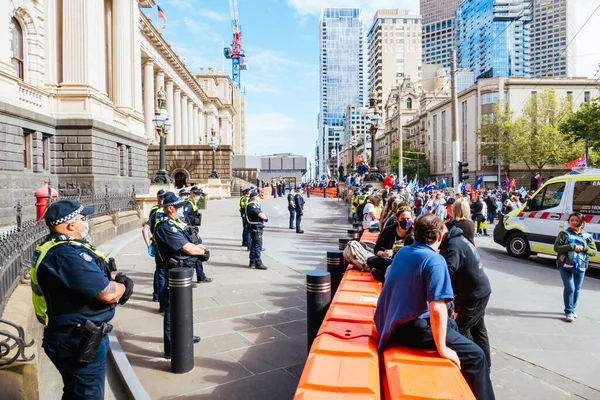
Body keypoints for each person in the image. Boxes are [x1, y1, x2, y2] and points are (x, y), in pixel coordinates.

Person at [374, 214, 495, 400]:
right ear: (439, 237)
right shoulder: (435, 261)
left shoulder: (404, 252)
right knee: (477, 356)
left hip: (393, 323)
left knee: (454, 327)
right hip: (413, 327)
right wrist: (443, 348)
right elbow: (437, 308)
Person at [31, 200, 134, 398]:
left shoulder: (60, 247)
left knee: (75, 391)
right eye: (82, 218)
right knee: (87, 394)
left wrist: (113, 277)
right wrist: (123, 285)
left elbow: (88, 276)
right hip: (77, 339)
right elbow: (107, 293)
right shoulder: (65, 254)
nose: (85, 222)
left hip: (73, 334)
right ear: (70, 224)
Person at [153, 192, 208, 358]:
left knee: (183, 306)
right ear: (170, 208)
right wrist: (202, 252)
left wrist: (201, 249)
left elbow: (192, 240)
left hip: (183, 271)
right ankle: (171, 347)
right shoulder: (165, 226)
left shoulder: (175, 221)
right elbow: (186, 248)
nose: (181, 209)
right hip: (173, 272)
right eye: (178, 206)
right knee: (171, 309)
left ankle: (184, 335)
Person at [440, 223, 492, 367]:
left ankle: (473, 364)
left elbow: (446, 272)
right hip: (479, 290)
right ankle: (485, 365)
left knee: (461, 331)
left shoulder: (453, 246)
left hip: (473, 294)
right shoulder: (458, 239)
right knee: (478, 329)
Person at [553, 212, 598, 322]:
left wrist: (584, 248)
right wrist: (571, 246)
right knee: (570, 288)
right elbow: (556, 248)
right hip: (564, 265)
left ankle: (572, 309)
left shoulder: (587, 237)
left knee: (577, 289)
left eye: (576, 220)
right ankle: (569, 311)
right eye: (571, 220)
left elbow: (593, 252)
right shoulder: (564, 234)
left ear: (582, 223)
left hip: (581, 266)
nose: (573, 222)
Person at [367, 202, 414, 279]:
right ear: (397, 219)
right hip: (390, 261)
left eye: (408, 219)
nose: (406, 221)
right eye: (403, 219)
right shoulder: (388, 231)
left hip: (407, 262)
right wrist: (383, 254)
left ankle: (384, 275)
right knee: (371, 260)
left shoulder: (415, 233)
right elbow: (376, 249)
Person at [142, 189, 167, 303]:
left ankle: (158, 295)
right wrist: (149, 245)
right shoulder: (157, 210)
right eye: (161, 197)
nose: (162, 199)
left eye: (164, 197)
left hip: (157, 243)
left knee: (160, 271)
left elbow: (146, 229)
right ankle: (158, 295)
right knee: (161, 272)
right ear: (157, 198)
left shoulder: (156, 211)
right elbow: (146, 228)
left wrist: (149, 245)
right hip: (164, 245)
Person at [245, 192, 268, 269]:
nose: (259, 198)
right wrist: (265, 217)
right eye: (258, 197)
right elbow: (261, 215)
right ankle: (258, 262)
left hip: (254, 226)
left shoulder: (251, 205)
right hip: (256, 227)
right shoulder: (252, 206)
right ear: (254, 198)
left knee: (254, 245)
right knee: (257, 245)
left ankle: (252, 262)